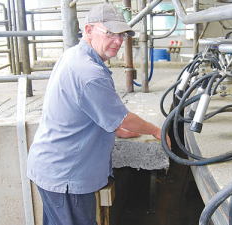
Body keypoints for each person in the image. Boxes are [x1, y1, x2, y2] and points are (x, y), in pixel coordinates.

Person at [27, 3, 171, 225]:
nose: (118, 41)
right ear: (88, 30)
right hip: (66, 175)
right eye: (110, 33)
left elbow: (85, 110)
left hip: (55, 168)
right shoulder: (89, 73)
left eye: (121, 35)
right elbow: (123, 116)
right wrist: (154, 129)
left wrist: (113, 128)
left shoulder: (74, 55)